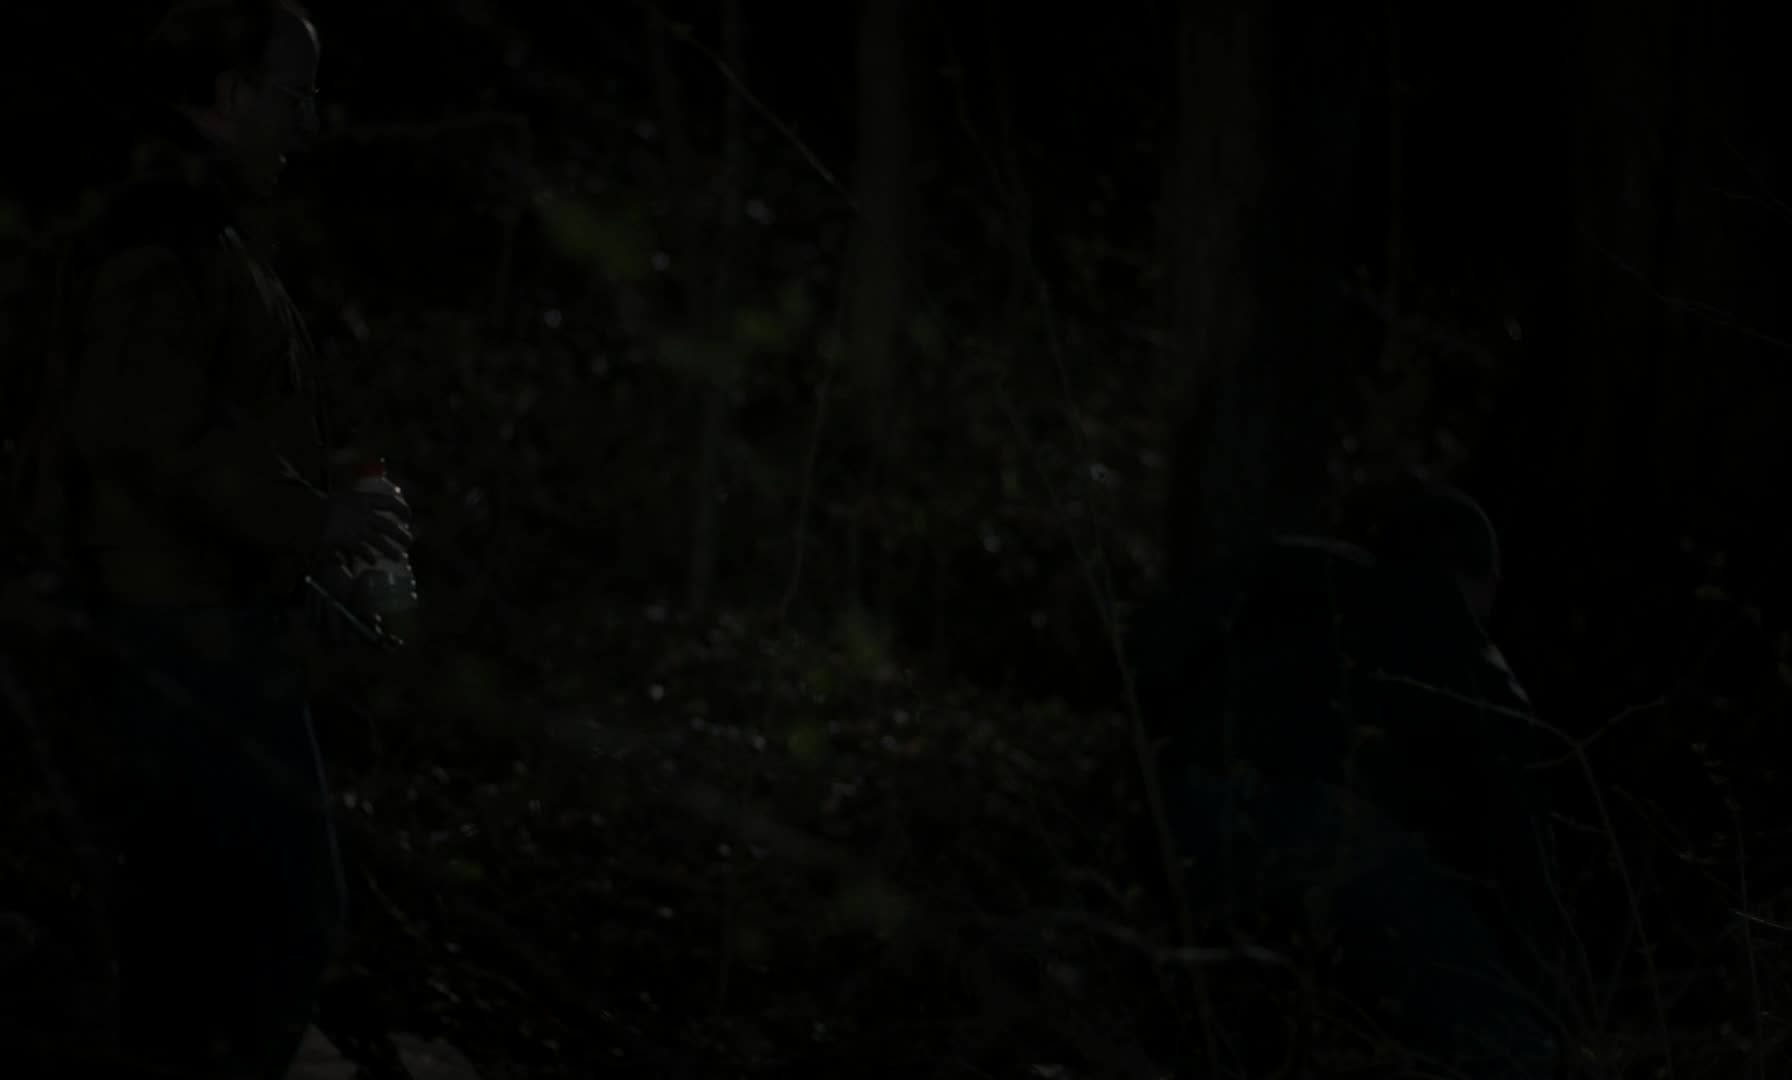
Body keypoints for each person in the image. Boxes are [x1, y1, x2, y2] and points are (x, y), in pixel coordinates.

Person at [33, 2, 411, 1076]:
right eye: (294, 95)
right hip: (180, 629)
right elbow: (139, 430)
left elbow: (194, 427)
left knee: (196, 928)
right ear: (225, 95)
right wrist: (311, 519)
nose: (309, 121)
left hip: (198, 618)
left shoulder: (201, 228)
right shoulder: (162, 233)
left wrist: (316, 536)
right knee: (283, 916)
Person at [1133, 478, 1559, 1078]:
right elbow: (1519, 828)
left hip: (1179, 805)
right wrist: (1542, 974)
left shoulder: (1291, 571)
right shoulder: (1454, 634)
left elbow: (1152, 648)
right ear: (1480, 579)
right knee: (1498, 1025)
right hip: (1310, 822)